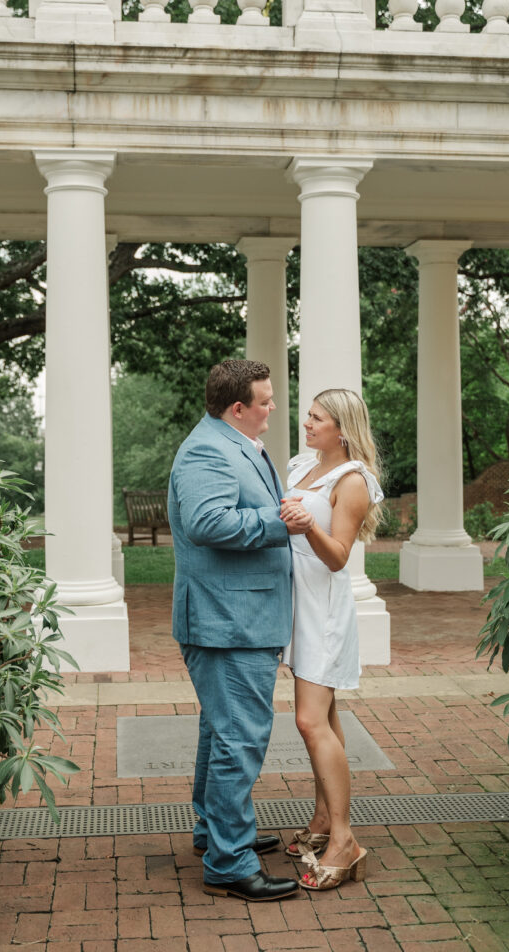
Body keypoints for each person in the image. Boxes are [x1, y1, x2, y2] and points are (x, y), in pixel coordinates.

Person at [168, 359, 312, 902]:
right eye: (266, 400)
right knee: (239, 739)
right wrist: (282, 524)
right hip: (227, 623)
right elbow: (208, 523)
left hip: (238, 618)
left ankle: (218, 834)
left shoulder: (234, 444)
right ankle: (230, 863)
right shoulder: (209, 449)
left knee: (220, 733)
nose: (273, 407)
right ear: (238, 408)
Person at [279, 388, 383, 891]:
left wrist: (304, 527)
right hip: (296, 606)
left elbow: (339, 554)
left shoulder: (353, 480)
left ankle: (345, 839)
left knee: (308, 719)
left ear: (342, 428)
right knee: (326, 715)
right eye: (308, 416)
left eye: (317, 418)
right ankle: (322, 820)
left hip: (323, 610)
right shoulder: (303, 465)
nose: (307, 423)